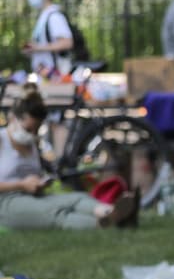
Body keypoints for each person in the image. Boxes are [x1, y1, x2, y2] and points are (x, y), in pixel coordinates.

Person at [0, 88, 137, 230]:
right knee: (53, 213)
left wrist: (41, 182)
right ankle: (104, 224)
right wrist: (22, 185)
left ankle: (113, 212)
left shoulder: (31, 143)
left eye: (36, 130)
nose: (32, 134)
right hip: (5, 201)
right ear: (13, 118)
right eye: (28, 129)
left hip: (34, 196)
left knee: (79, 198)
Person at [21, 0, 72, 78]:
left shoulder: (54, 16)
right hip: (45, 75)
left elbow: (67, 43)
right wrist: (32, 49)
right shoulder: (44, 16)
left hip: (55, 75)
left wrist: (38, 47)